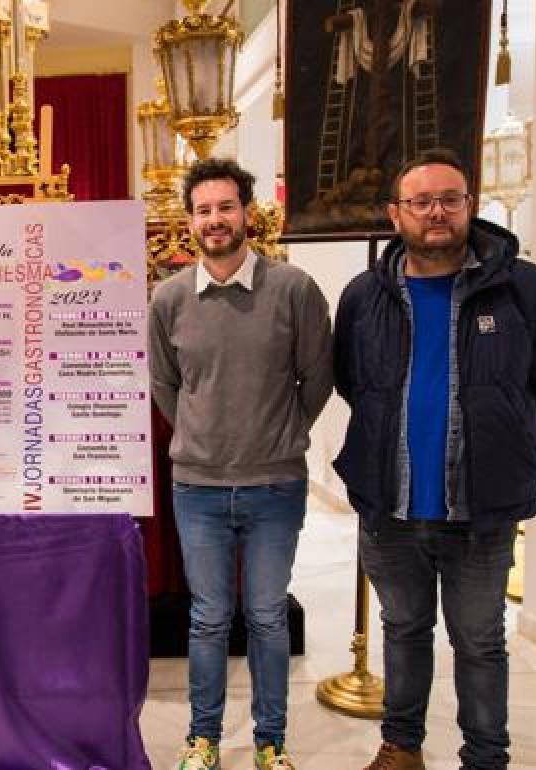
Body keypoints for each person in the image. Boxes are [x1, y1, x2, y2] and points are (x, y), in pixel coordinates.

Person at [332, 148, 536, 770]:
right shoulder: (364, 296)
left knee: (480, 641)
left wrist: (505, 430)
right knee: (403, 630)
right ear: (397, 214)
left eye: (450, 198)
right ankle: (402, 749)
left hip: (481, 507)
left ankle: (485, 759)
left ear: (470, 205)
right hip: (391, 506)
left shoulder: (524, 287)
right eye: (421, 201)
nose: (436, 212)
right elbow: (352, 381)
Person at [149, 158, 334, 770]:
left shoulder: (293, 289)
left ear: (246, 214)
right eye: (203, 210)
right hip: (198, 488)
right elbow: (165, 385)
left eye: (226, 207)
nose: (215, 219)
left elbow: (317, 377)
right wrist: (201, 434)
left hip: (275, 485)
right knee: (207, 619)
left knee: (267, 617)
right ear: (189, 221)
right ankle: (202, 739)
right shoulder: (169, 299)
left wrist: (282, 434)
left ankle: (270, 742)